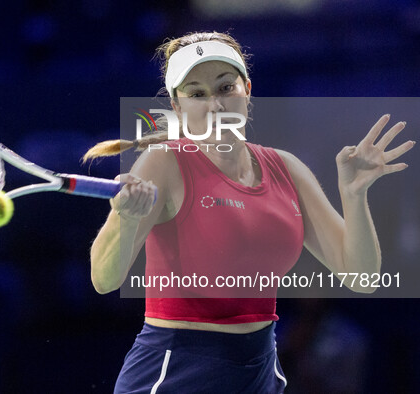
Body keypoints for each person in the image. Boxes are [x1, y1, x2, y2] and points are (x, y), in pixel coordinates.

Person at [85, 31, 415, 393]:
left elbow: (361, 278)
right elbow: (104, 280)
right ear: (178, 108)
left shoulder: (286, 168)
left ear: (247, 90)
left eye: (226, 88)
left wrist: (354, 196)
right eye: (197, 94)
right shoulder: (164, 163)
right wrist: (126, 219)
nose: (214, 105)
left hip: (258, 371)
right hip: (175, 372)